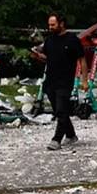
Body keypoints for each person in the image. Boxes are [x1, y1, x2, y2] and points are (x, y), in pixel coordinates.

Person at [32, 13, 86, 150]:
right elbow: (48, 58)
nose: (50, 27)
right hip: (50, 81)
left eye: (53, 24)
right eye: (49, 25)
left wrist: (84, 80)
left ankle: (56, 140)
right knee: (58, 110)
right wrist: (37, 56)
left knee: (62, 110)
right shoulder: (50, 40)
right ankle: (71, 135)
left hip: (65, 81)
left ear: (61, 24)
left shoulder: (72, 40)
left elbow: (82, 60)